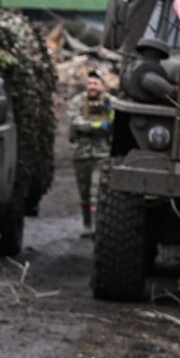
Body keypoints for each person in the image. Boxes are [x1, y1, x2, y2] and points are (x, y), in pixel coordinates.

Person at [68, 70, 114, 237]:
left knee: (97, 192)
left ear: (102, 85)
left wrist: (108, 117)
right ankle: (87, 225)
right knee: (84, 193)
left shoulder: (110, 102)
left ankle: (97, 228)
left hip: (102, 154)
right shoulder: (77, 101)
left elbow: (113, 122)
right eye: (89, 83)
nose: (92, 87)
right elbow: (76, 122)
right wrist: (97, 126)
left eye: (95, 83)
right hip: (81, 154)